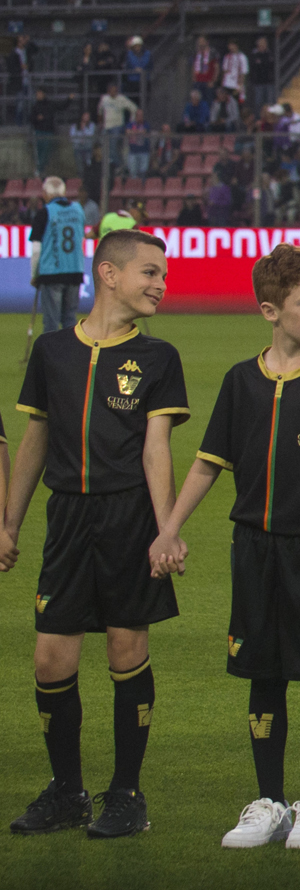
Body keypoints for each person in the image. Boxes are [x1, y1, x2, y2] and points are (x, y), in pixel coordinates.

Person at [150, 246, 300, 851]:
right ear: (271, 311)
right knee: (263, 673)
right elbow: (208, 462)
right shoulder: (240, 380)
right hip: (252, 550)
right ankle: (269, 803)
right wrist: (170, 527)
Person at [1, 230, 190, 839]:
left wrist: (167, 530)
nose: (161, 284)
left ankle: (127, 795)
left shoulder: (158, 357)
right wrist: (8, 522)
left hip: (128, 519)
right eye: (150, 272)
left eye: (163, 275)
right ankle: (67, 792)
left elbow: (156, 449)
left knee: (125, 650)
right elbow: (35, 441)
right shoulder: (53, 351)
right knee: (50, 658)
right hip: (67, 521)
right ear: (109, 274)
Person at [30, 176, 89, 338]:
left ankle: (52, 353)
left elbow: (36, 249)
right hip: (75, 271)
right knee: (70, 319)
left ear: (46, 193)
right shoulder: (78, 210)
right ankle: (71, 352)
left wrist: (35, 274)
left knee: (51, 322)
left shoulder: (45, 212)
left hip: (52, 273)